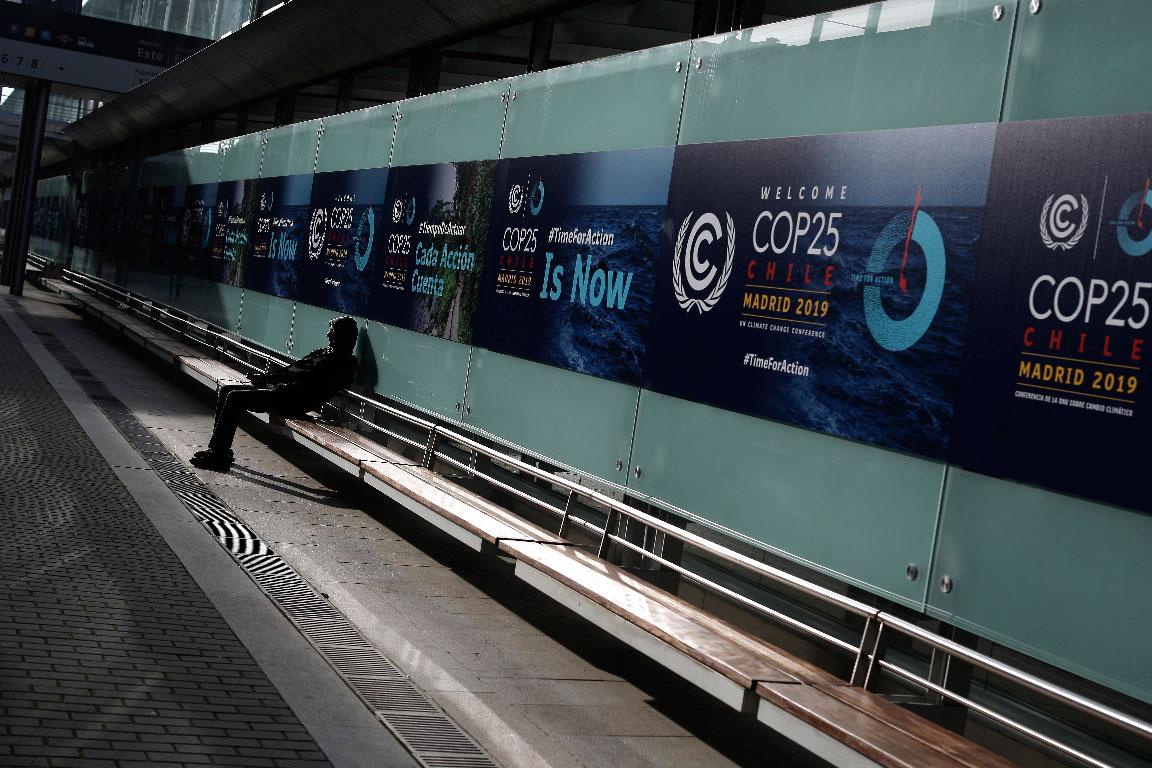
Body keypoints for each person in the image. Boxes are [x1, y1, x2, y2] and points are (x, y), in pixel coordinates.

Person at [191, 316, 359, 471]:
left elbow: (304, 375)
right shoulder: (325, 352)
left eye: (333, 331)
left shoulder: (344, 362)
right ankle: (218, 450)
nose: (328, 334)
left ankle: (218, 455)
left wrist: (269, 380)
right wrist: (267, 379)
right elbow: (294, 368)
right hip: (284, 392)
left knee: (235, 398)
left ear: (344, 335)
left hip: (295, 401)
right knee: (228, 389)